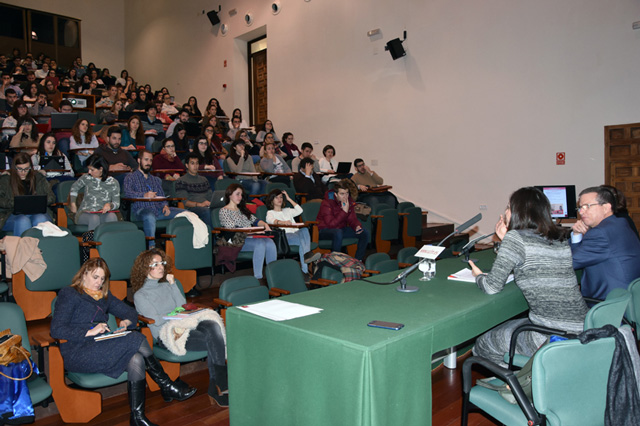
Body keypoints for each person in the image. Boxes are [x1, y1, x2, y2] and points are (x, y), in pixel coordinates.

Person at [50, 258, 196, 426]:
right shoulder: (69, 294)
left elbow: (130, 312)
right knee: (134, 338)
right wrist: (89, 331)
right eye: (95, 277)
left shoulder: (104, 296)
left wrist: (126, 322)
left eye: (102, 279)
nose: (99, 282)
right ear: (84, 274)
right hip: (78, 351)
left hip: (101, 347)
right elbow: (57, 329)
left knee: (136, 359)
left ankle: (137, 417)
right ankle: (166, 384)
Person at [468, 187, 589, 366]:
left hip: (550, 336)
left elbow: (492, 287)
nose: (505, 212)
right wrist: (507, 240)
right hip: (582, 328)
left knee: (483, 344)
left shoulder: (515, 239)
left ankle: (517, 381)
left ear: (517, 212)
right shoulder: (559, 238)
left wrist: (478, 275)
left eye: (508, 207)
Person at [131, 249, 228, 407]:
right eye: (155, 264)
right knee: (216, 340)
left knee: (212, 324)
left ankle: (218, 386)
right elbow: (156, 320)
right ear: (144, 268)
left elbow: (183, 306)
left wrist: (173, 284)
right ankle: (219, 386)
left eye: (162, 263)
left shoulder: (167, 285)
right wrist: (174, 314)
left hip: (184, 325)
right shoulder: (140, 295)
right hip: (168, 334)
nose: (161, 267)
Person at [570, 186, 640, 299]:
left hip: (609, 303)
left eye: (587, 206)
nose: (581, 212)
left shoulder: (600, 233)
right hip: (629, 298)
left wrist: (576, 236)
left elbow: (571, 262)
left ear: (606, 208)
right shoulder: (620, 223)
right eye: (580, 207)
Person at [124, 151, 184, 246]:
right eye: (146, 160)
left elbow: (162, 195)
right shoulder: (130, 177)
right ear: (139, 160)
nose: (148, 163)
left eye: (150, 160)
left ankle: (177, 245)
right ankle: (151, 247)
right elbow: (128, 193)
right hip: (141, 210)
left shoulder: (154, 179)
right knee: (149, 216)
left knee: (185, 214)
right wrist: (144, 195)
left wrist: (165, 205)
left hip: (158, 210)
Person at [220, 184, 277, 279]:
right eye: (237, 194)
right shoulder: (224, 211)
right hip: (236, 240)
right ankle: (258, 277)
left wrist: (264, 224)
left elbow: (255, 220)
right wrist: (253, 232)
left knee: (270, 242)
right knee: (260, 243)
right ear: (229, 195)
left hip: (250, 237)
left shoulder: (242, 210)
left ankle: (273, 275)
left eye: (241, 195)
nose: (240, 197)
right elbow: (233, 229)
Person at [0, 152, 55, 236]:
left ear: (31, 167)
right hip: (12, 214)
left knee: (40, 219)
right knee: (23, 220)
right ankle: (24, 245)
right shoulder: (6, 180)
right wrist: (15, 203)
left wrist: (36, 202)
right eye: (19, 169)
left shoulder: (38, 178)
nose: (23, 172)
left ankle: (42, 245)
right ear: (14, 168)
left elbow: (51, 197)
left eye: (26, 169)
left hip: (38, 212)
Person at [317, 179, 369, 260]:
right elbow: (331, 224)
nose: (345, 196)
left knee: (364, 232)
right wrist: (344, 212)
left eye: (347, 193)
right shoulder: (326, 203)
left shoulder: (348, 201)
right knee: (338, 232)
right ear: (336, 194)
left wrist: (357, 226)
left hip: (340, 229)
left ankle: (358, 260)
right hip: (324, 231)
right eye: (342, 194)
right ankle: (335, 260)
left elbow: (352, 218)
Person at [265, 189, 313, 275]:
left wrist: (289, 199)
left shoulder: (287, 210)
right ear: (272, 200)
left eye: (281, 197)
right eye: (277, 198)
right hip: (285, 236)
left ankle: (305, 265)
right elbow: (271, 221)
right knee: (303, 242)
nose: (279, 199)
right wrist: (283, 222)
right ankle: (306, 265)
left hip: (296, 234)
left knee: (305, 230)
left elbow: (300, 210)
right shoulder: (270, 212)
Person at [69, 155, 120, 231]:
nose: (89, 172)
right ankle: (91, 238)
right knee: (94, 218)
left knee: (112, 217)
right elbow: (74, 188)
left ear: (101, 169)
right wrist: (73, 203)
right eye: (88, 169)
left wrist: (110, 205)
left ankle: (109, 238)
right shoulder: (86, 178)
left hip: (102, 213)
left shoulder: (113, 182)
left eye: (92, 170)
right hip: (85, 213)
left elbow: (117, 203)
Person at [175, 153, 214, 226]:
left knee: (220, 210)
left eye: (197, 163)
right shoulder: (181, 181)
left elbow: (210, 197)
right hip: (192, 208)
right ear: (187, 165)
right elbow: (184, 202)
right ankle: (210, 233)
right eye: (192, 163)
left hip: (205, 206)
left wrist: (210, 203)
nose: (195, 166)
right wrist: (200, 204)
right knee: (206, 211)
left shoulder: (204, 180)